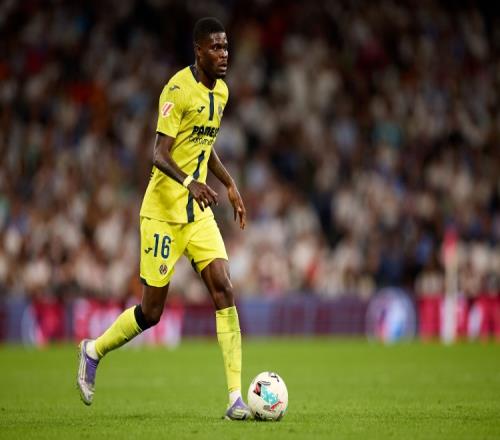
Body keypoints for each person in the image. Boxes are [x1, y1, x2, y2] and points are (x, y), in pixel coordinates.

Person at [77, 17, 251, 421]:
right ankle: (93, 350)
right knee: (151, 312)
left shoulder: (222, 92)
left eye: (226, 47)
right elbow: (158, 153)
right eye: (216, 47)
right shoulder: (177, 89)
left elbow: (204, 145)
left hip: (197, 213)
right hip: (162, 214)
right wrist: (191, 182)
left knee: (224, 289)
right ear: (198, 51)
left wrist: (229, 183)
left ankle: (235, 399)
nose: (224, 54)